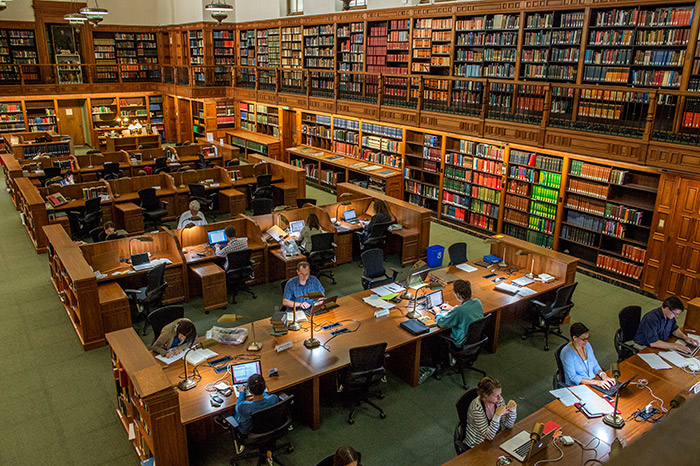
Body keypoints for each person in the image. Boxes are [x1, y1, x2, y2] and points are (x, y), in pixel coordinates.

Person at [464, 376, 517, 448]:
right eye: (496, 396)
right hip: (478, 444)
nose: (500, 398)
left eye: (500, 394)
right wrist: (497, 415)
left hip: (495, 438)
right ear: (485, 396)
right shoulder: (476, 408)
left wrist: (512, 411)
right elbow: (488, 436)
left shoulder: (498, 401)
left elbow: (508, 425)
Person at [633, 296, 699, 353]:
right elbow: (653, 342)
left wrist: (685, 338)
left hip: (660, 342)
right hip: (644, 345)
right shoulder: (651, 319)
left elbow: (674, 329)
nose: (676, 316)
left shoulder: (669, 316)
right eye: (675, 313)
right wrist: (675, 346)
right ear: (667, 309)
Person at [560, 322, 616, 389]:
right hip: (578, 387)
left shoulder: (587, 345)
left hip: (592, 382)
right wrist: (596, 382)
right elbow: (573, 377)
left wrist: (604, 375)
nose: (586, 341)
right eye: (583, 339)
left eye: (587, 338)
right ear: (574, 337)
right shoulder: (566, 353)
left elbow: (595, 365)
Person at [435, 280, 484, 346]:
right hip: (474, 338)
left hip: (461, 341)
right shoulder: (477, 302)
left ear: (458, 294)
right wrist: (452, 308)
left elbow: (441, 323)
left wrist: (438, 313)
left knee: (436, 337)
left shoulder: (459, 310)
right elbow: (466, 310)